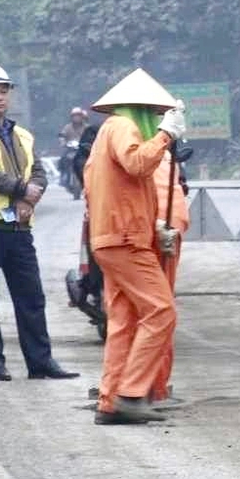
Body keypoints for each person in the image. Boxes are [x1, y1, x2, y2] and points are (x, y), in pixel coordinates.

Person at [0, 62, 79, 383]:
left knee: (31, 296)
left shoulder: (23, 134)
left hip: (18, 227)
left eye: (3, 91)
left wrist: (28, 198)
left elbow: (37, 172)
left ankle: (40, 361)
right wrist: (21, 190)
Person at [84, 69, 187, 425]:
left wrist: (155, 226)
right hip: (125, 240)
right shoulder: (124, 127)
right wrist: (165, 135)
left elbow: (122, 189)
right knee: (161, 311)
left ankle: (110, 402)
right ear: (142, 109)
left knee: (124, 322)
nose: (157, 120)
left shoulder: (104, 136)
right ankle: (130, 392)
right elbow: (138, 163)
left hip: (113, 237)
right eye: (155, 115)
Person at [148, 139, 191, 406]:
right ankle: (149, 387)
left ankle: (151, 386)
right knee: (157, 311)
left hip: (159, 232)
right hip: (151, 234)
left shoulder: (159, 154)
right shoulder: (148, 151)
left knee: (154, 311)